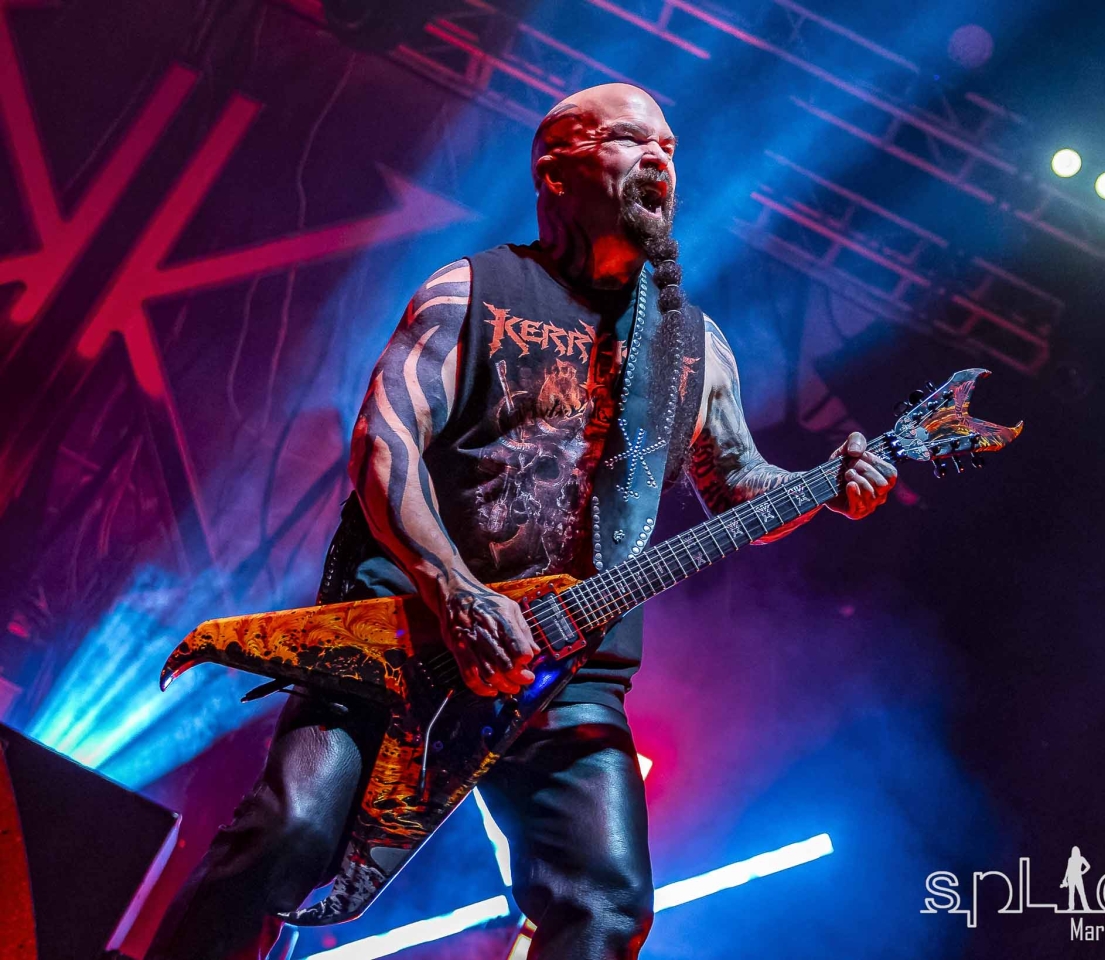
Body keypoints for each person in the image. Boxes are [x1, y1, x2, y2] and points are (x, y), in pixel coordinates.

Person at [146, 82, 897, 960]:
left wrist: (823, 485)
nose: (659, 160)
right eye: (630, 140)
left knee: (607, 909)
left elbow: (738, 488)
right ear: (555, 171)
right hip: (410, 630)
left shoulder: (695, 346)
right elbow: (383, 445)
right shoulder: (471, 290)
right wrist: (456, 591)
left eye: (670, 148)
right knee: (289, 834)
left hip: (570, 674)